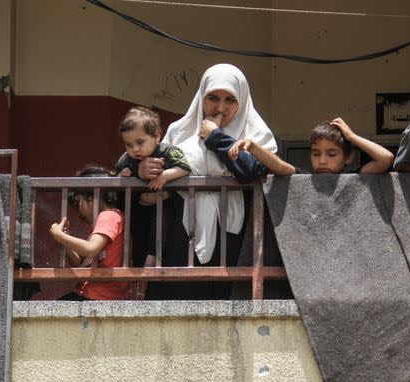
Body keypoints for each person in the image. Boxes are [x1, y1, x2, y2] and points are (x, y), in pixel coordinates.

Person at [137, 63, 277, 299]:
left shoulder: (255, 134)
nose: (220, 107)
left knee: (222, 296)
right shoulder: (179, 132)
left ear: (241, 100)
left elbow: (250, 170)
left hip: (231, 231)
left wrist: (215, 136)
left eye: (230, 100)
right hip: (180, 230)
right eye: (213, 97)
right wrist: (142, 168)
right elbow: (152, 170)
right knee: (177, 297)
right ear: (201, 97)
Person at [115, 106, 190, 269]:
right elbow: (116, 178)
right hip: (139, 211)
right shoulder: (125, 159)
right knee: (138, 235)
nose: (134, 149)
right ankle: (141, 260)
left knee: (162, 220)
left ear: (156, 135)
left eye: (140, 142)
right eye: (128, 144)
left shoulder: (168, 151)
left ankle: (154, 254)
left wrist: (165, 176)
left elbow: (184, 167)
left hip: (165, 208)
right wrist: (125, 176)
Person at [49, 165, 131, 301]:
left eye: (77, 203)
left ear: (91, 197)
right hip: (90, 293)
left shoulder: (109, 216)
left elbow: (91, 249)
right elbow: (80, 264)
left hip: (99, 295)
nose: (78, 212)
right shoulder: (100, 224)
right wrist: (64, 240)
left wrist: (60, 235)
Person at [228, 117, 394, 174]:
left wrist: (351, 136)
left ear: (348, 157)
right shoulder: (305, 179)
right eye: (316, 154)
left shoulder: (356, 177)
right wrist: (252, 146)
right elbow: (279, 166)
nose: (322, 161)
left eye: (331, 154)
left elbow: (386, 159)